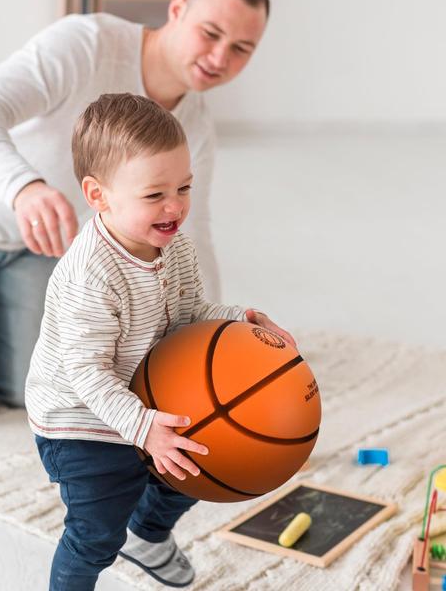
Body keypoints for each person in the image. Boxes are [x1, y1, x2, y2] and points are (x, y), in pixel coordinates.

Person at [0, 0, 270, 420]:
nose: (219, 57)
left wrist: (209, 345)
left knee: (34, 385)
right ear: (177, 9)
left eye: (241, 49)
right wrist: (24, 187)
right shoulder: (87, 43)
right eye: (210, 33)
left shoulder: (193, 126)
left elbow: (192, 234)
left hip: (32, 245)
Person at [27, 92, 295, 590]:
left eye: (185, 187)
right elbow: (88, 373)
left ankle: (147, 535)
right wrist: (142, 427)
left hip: (144, 392)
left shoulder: (177, 248)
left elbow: (190, 318)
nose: (175, 207)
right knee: (95, 535)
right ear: (98, 195)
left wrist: (241, 320)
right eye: (155, 195)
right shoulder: (92, 275)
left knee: (208, 457)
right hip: (81, 423)